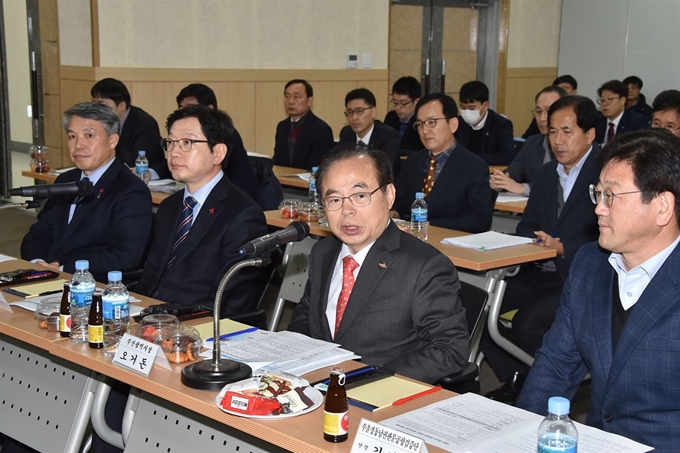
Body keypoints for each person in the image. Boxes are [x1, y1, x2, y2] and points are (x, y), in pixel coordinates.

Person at [517, 128, 680, 453]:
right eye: (598, 194)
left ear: (662, 206)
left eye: (611, 196)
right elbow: (556, 365)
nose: (598, 209)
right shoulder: (591, 264)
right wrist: (518, 433)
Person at [288, 144, 469, 384]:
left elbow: (450, 349)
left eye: (360, 196)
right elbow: (305, 314)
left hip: (381, 396)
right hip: (317, 388)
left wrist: (374, 381)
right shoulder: (323, 251)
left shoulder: (425, 266)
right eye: (334, 199)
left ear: (389, 195)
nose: (347, 211)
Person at [483, 96, 601, 404]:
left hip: (579, 277)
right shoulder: (547, 174)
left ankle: (555, 391)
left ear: (589, 135)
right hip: (538, 268)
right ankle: (518, 378)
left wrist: (563, 247)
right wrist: (534, 240)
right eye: (552, 132)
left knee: (528, 323)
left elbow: (608, 237)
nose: (558, 141)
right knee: (475, 308)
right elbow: (526, 227)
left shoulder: (605, 173)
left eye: (567, 131)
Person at [135, 105, 268, 318]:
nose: (174, 152)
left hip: (195, 324)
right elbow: (151, 276)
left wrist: (169, 322)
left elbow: (228, 298)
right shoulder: (170, 206)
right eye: (170, 142)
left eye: (187, 142)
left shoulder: (243, 214)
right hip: (154, 316)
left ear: (218, 153)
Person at [20, 102, 152, 283]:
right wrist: (39, 262)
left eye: (89, 135)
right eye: (72, 136)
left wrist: (64, 268)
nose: (79, 144)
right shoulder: (65, 180)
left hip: (93, 286)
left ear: (112, 140)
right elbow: (39, 232)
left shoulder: (130, 190)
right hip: (48, 277)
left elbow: (125, 256)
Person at [392, 93, 493, 233]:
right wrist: (395, 212)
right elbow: (401, 202)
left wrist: (430, 225)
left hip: (451, 243)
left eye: (431, 122)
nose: (425, 130)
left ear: (453, 124)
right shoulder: (412, 162)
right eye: (420, 124)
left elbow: (480, 219)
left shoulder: (474, 166)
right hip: (412, 242)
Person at [175, 83, 257, 200]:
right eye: (181, 108)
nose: (183, 114)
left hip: (230, 198)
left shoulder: (224, 134)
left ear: (210, 109)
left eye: (190, 108)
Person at [491, 86, 567, 196]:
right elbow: (513, 173)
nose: (542, 118)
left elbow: (562, 184)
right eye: (538, 112)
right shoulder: (533, 142)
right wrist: (499, 181)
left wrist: (523, 188)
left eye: (548, 111)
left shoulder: (572, 145)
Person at [91, 78, 164, 172]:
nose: (96, 109)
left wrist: (112, 132)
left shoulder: (145, 123)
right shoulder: (96, 122)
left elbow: (135, 162)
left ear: (121, 106)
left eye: (101, 104)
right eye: (94, 103)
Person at [273, 79, 335, 169]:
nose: (290, 101)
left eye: (296, 97)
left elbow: (319, 167)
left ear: (309, 101)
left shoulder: (321, 130)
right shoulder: (282, 127)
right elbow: (278, 161)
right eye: (287, 96)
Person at [338, 88, 401, 170]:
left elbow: (383, 171)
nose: (354, 117)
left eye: (359, 111)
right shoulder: (346, 133)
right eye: (350, 112)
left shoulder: (388, 135)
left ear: (373, 112)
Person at [454, 81, 515, 165]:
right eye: (463, 108)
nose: (466, 112)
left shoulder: (501, 124)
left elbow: (508, 156)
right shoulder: (457, 122)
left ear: (485, 105)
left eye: (471, 108)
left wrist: (472, 159)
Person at [595, 80, 648, 145]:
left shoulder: (638, 122)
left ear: (623, 100)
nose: (605, 104)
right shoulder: (596, 121)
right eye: (602, 100)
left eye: (610, 99)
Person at [383, 76, 424, 152]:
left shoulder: (422, 123)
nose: (398, 107)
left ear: (416, 101)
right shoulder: (390, 118)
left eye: (403, 103)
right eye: (395, 103)